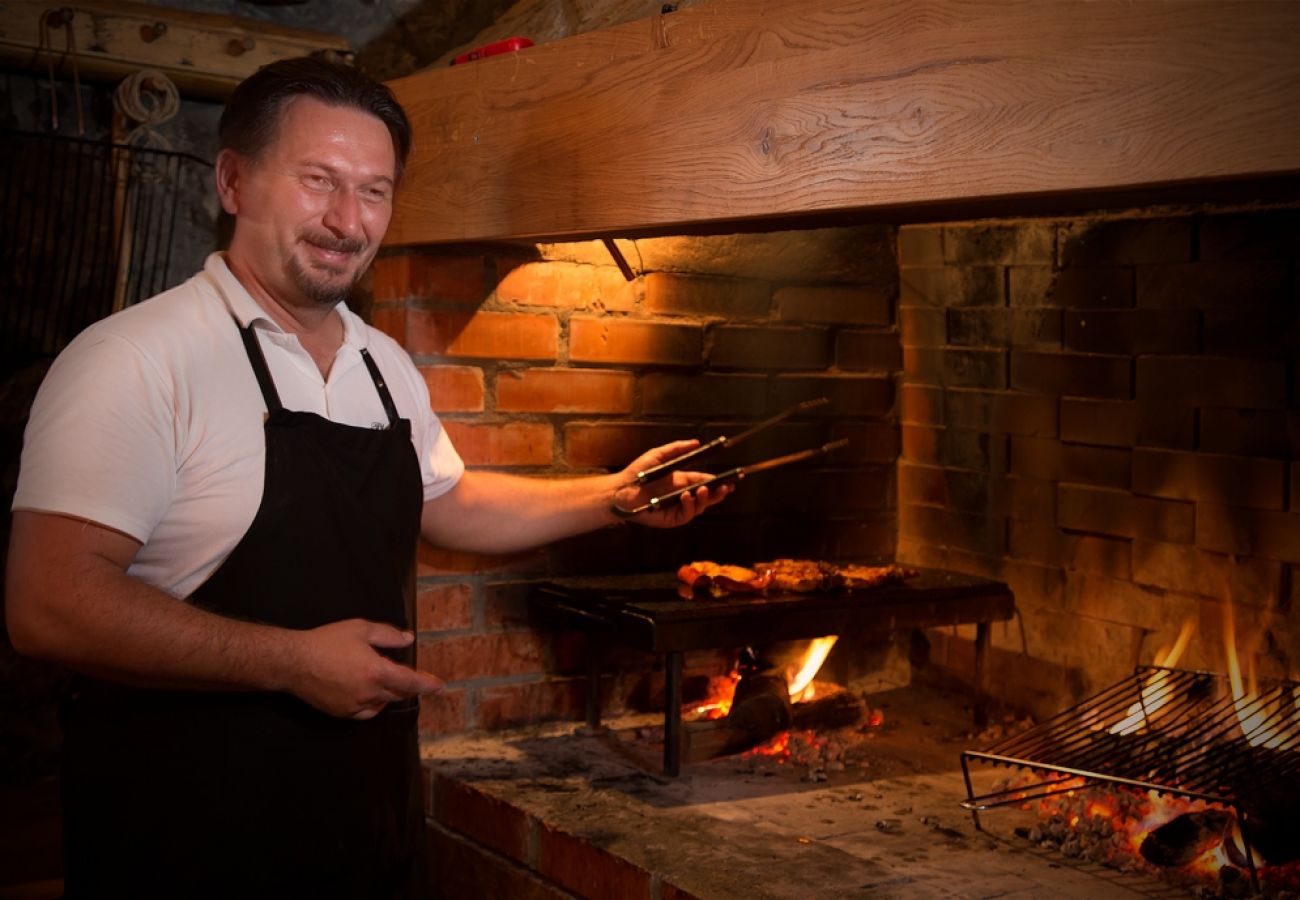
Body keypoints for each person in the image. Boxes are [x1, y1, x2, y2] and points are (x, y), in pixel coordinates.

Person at [4, 57, 727, 898]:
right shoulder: (133, 360)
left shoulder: (382, 364)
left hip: (363, 817)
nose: (348, 221)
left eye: (375, 191)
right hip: (188, 832)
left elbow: (448, 501)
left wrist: (615, 498)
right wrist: (290, 663)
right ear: (233, 181)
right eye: (319, 181)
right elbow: (48, 603)